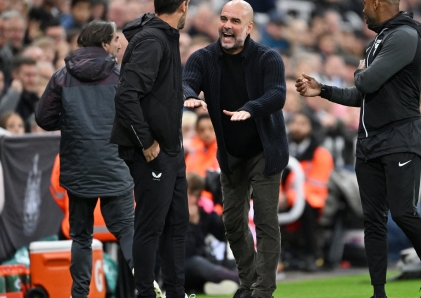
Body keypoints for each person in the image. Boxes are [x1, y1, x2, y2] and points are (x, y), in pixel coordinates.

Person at [295, 0, 421, 297]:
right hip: (369, 142)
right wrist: (323, 90)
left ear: (379, 3)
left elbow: (367, 81)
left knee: (403, 213)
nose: (362, 9)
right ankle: (378, 293)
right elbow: (361, 94)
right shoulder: (379, 40)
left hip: (401, 137)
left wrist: (362, 72)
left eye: (365, 3)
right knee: (373, 221)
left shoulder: (405, 35)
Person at [182, 1, 288, 297]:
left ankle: (262, 290)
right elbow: (186, 82)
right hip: (231, 154)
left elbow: (277, 94)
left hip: (266, 151)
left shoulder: (269, 57)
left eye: (236, 21)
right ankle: (250, 280)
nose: (227, 25)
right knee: (232, 222)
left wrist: (251, 109)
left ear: (249, 27)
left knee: (266, 221)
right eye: (224, 18)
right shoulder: (203, 58)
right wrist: (190, 95)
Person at [35, 20, 135, 298]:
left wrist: (71, 124)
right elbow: (136, 119)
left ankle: (79, 295)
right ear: (104, 43)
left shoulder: (61, 77)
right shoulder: (120, 76)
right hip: (116, 167)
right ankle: (148, 289)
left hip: (78, 169)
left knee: (81, 238)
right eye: (115, 38)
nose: (118, 43)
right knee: (128, 231)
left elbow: (43, 118)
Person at [110, 0, 191, 297]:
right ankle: (144, 293)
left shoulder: (162, 36)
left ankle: (176, 292)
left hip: (170, 148)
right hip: (152, 150)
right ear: (184, 5)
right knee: (150, 226)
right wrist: (145, 141)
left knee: (177, 223)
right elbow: (126, 95)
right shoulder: (153, 39)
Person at [280, 111, 334, 272]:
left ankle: (311, 255)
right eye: (294, 123)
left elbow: (316, 184)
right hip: (287, 198)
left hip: (314, 200)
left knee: (305, 207)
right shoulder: (283, 149)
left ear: (311, 128)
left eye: (302, 124)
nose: (297, 128)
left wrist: (288, 197)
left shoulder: (320, 154)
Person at [185, 172, 239, 296]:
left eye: (197, 195)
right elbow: (186, 252)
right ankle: (239, 279)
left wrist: (221, 202)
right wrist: (192, 224)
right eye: (191, 194)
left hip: (203, 263)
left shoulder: (202, 212)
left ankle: (218, 284)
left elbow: (224, 234)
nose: (194, 199)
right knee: (196, 263)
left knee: (233, 262)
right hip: (181, 268)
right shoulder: (171, 214)